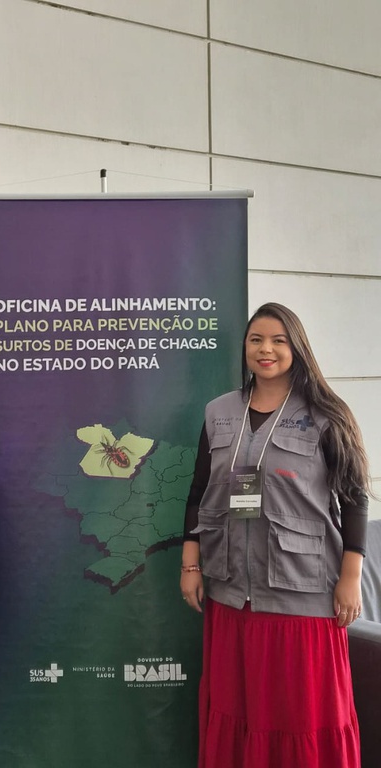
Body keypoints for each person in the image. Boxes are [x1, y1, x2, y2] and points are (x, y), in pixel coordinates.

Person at [181, 303, 369, 768]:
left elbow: (355, 498)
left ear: (296, 348)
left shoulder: (328, 413)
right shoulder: (219, 412)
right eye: (256, 340)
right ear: (244, 348)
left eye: (278, 341)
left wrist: (350, 577)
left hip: (302, 593)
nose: (266, 350)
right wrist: (190, 565)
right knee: (236, 709)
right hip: (230, 593)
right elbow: (197, 492)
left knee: (300, 713)